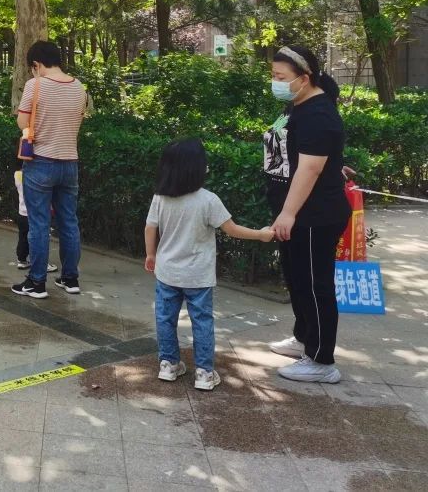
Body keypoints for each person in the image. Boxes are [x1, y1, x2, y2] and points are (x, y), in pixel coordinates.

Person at [144, 138, 275, 391]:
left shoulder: (160, 198)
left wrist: (151, 254)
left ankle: (168, 365)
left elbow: (150, 227)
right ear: (196, 169)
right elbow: (232, 229)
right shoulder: (208, 200)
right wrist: (260, 234)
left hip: (167, 272)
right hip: (198, 276)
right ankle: (204, 372)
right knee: (202, 321)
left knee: (165, 319)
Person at [264, 45, 351, 384]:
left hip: (314, 215)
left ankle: (321, 360)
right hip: (295, 211)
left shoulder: (319, 114)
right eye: (273, 75)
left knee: (315, 285)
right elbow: (306, 155)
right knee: (297, 279)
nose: (275, 81)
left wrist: (288, 213)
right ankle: (304, 338)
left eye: (280, 76)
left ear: (304, 78)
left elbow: (310, 169)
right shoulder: (297, 104)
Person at [11, 41, 88, 299]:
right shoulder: (79, 87)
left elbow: (23, 122)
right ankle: (70, 278)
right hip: (70, 162)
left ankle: (36, 282)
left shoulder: (35, 85)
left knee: (39, 224)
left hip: (40, 162)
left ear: (36, 64)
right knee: (69, 222)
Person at [13, 170, 56, 273]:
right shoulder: (39, 174)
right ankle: (42, 264)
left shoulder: (17, 174)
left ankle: (22, 260)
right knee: (40, 238)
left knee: (23, 237)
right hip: (37, 213)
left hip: (23, 212)